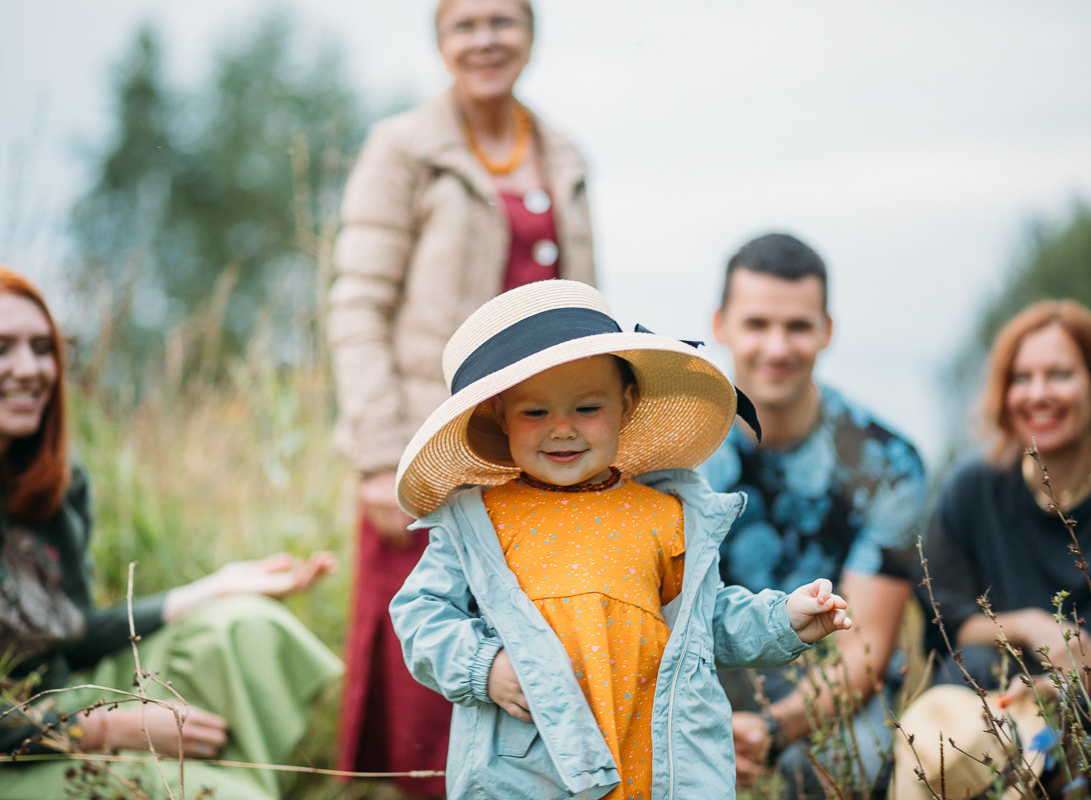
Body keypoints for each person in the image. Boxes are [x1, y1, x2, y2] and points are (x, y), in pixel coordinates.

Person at [388, 279, 853, 800]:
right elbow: (420, 615)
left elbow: (703, 625)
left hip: (651, 758)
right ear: (499, 415)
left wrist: (781, 620)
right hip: (528, 766)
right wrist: (483, 667)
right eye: (535, 412)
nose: (562, 429)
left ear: (626, 403)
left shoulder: (663, 514)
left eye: (588, 408)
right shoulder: (478, 522)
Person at [0, 266, 343, 799]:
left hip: (63, 690)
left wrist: (211, 589)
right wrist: (99, 725)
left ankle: (228, 786)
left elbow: (71, 633)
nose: (29, 369)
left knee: (241, 624)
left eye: (42, 347)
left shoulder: (54, 480)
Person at [327, 0, 596, 793]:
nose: (486, 40)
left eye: (503, 21)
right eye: (465, 24)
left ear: (531, 34)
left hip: (539, 449)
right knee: (430, 652)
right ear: (440, 41)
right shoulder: (403, 147)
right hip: (430, 447)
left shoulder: (565, 153)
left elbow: (587, 306)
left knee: (529, 641)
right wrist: (380, 457)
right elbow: (358, 305)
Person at [698, 232, 928, 797]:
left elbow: (866, 649)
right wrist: (703, 730)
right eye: (756, 325)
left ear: (827, 330)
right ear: (720, 325)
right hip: (700, 683)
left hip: (827, 686)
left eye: (798, 326)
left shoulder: (887, 462)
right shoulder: (673, 451)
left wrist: (768, 733)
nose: (777, 347)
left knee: (856, 758)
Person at [895, 299, 1091, 797]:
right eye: (1022, 378)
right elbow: (945, 622)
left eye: (1059, 375)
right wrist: (1031, 627)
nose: (1037, 394)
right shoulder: (971, 491)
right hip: (989, 724)